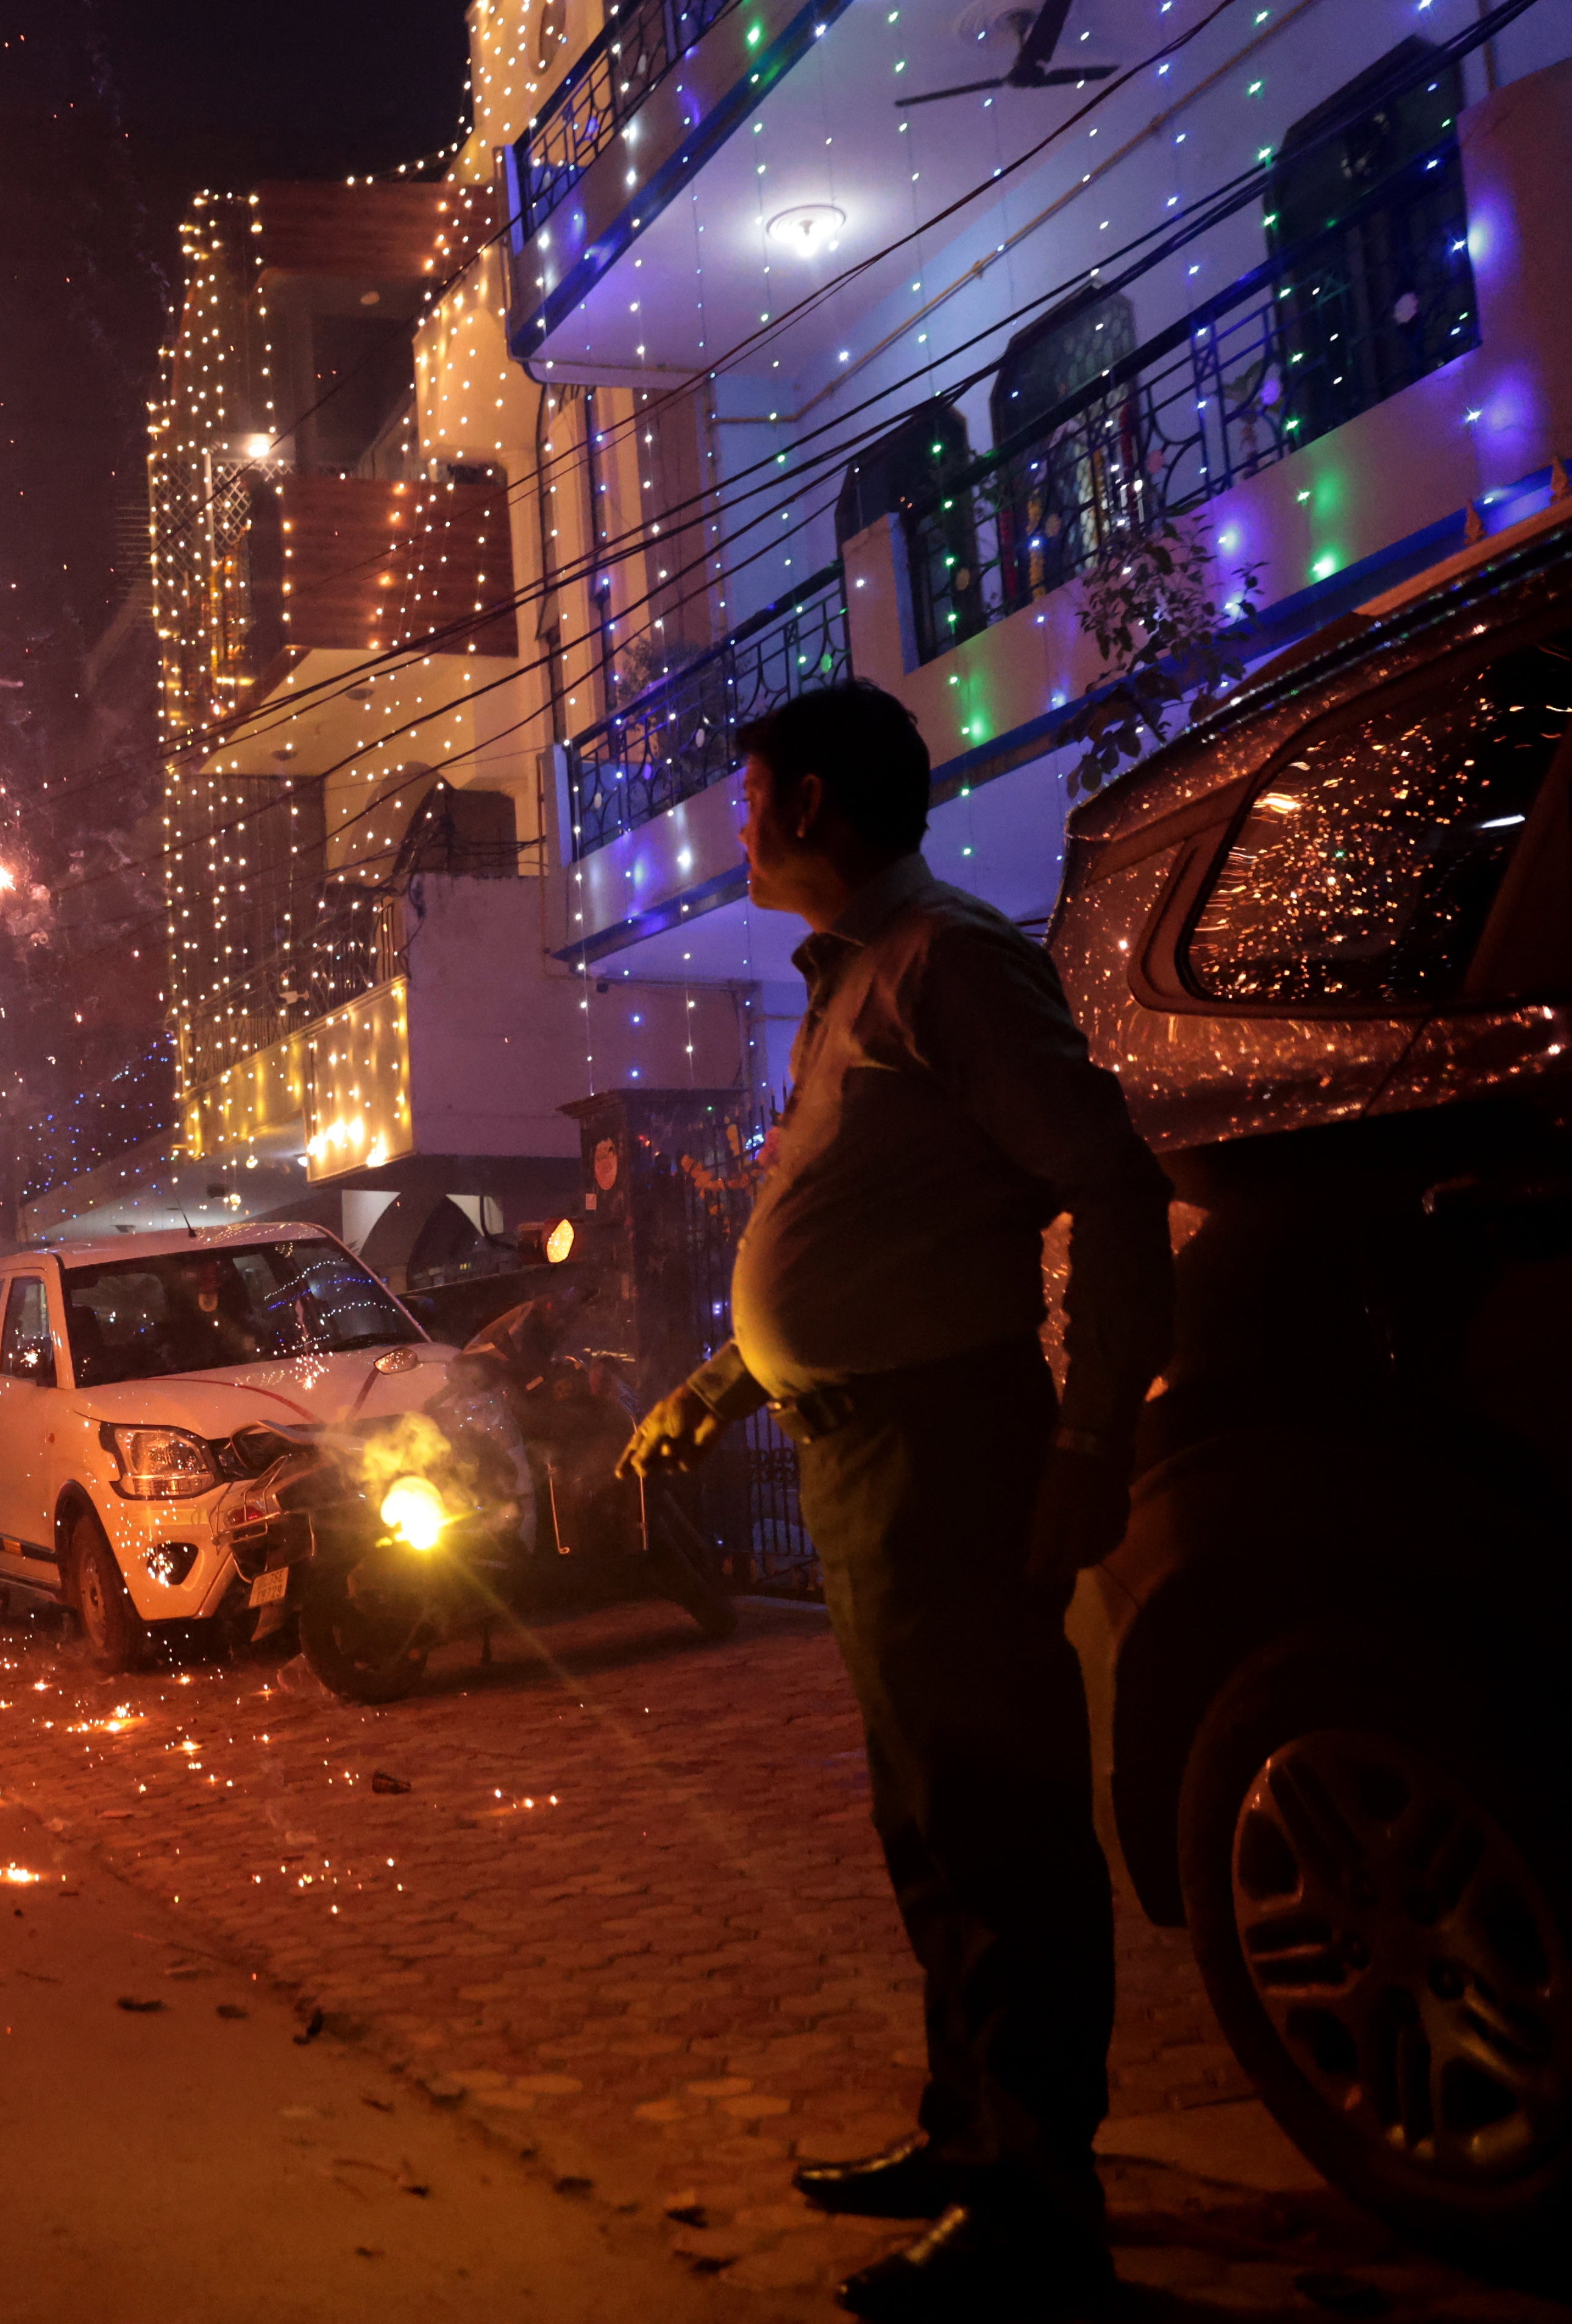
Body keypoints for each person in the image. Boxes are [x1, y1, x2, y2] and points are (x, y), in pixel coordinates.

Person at [620, 682, 1172, 2322]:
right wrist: (716, 1388)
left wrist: (1087, 1446)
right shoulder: (846, 981)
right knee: (924, 1820)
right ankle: (965, 2135)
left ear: (806, 803)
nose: (734, 825)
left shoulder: (947, 961)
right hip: (864, 1459)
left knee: (996, 1823)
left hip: (952, 1450)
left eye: (747, 798)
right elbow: (850, 1237)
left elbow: (1111, 1185)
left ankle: (1035, 2202)